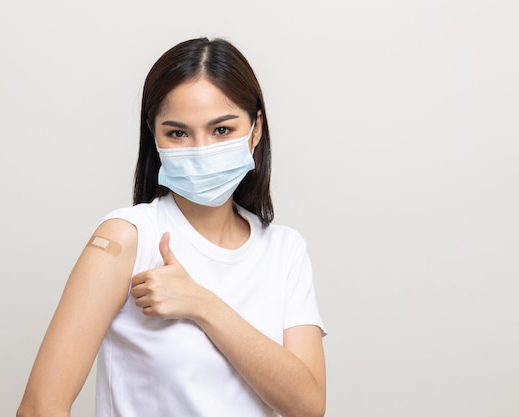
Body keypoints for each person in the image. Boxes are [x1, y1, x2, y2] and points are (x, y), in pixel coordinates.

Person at [17, 37, 327, 417]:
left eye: (222, 130)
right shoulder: (126, 238)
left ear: (256, 129)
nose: (200, 149)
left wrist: (203, 305)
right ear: (154, 135)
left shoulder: (284, 250)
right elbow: (40, 407)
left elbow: (309, 406)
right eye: (178, 133)